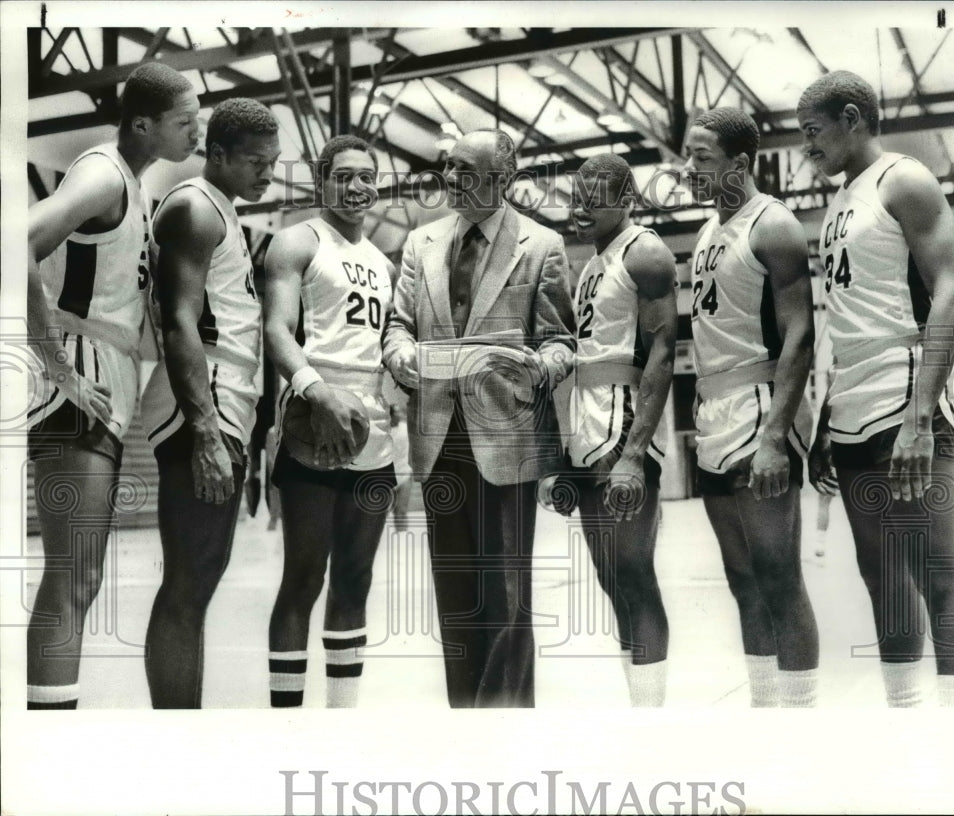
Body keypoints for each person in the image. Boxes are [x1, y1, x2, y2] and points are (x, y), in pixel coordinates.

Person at [797, 71, 954, 706]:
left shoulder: (903, 179)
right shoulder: (838, 202)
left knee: (936, 568)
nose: (805, 148)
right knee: (881, 576)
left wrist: (919, 418)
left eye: (812, 132)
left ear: (852, 117)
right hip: (850, 401)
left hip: (904, 393)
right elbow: (845, 320)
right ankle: (905, 723)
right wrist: (823, 418)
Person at [25, 63, 199, 709]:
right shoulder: (102, 173)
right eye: (187, 121)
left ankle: (51, 716)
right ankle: (45, 739)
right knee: (72, 577)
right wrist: (57, 364)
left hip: (104, 383)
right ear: (145, 123)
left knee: (82, 575)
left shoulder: (133, 183)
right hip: (76, 383)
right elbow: (18, 241)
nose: (197, 131)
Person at [383, 129, 575, 708]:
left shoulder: (541, 245)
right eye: (449, 168)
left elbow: (562, 342)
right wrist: (399, 357)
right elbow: (398, 325)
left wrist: (537, 369)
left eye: (468, 171)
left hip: (507, 443)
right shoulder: (420, 242)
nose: (451, 180)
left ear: (504, 179)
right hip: (437, 441)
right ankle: (465, 721)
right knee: (456, 596)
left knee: (507, 597)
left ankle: (504, 730)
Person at [141, 98, 280, 708]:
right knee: (188, 581)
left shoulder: (221, 211)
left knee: (200, 579)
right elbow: (179, 322)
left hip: (229, 402)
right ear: (216, 153)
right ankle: (177, 733)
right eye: (254, 161)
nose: (266, 174)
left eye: (273, 163)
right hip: (204, 403)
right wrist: (204, 429)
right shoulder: (197, 208)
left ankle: (185, 724)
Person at [683, 107, 820, 707]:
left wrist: (774, 437)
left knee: (778, 577)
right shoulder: (712, 231)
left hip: (760, 410)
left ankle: (800, 718)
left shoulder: (774, 225)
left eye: (701, 156)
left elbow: (800, 334)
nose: (688, 168)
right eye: (688, 155)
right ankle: (765, 711)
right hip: (714, 415)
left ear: (740, 163)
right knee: (742, 580)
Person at [538, 153, 677, 706]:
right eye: (576, 196)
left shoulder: (644, 251)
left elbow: (664, 351)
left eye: (594, 197)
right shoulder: (594, 263)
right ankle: (639, 702)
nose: (580, 208)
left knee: (634, 574)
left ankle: (652, 714)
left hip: (621, 428)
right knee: (612, 578)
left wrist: (634, 453)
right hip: (587, 426)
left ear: (626, 199)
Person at [263, 135, 397, 708]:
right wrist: (315, 391)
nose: (358, 185)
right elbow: (275, 329)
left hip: (375, 432)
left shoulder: (386, 263)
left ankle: (340, 723)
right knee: (303, 578)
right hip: (315, 421)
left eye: (367, 175)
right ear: (322, 182)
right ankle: (288, 724)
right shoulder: (297, 241)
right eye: (344, 175)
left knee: (355, 579)